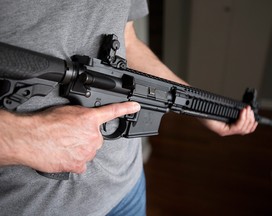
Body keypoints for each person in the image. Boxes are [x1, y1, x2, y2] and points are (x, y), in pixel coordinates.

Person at [0, 1, 258, 215]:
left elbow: (128, 40)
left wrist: (205, 110)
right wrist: (26, 138)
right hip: (31, 205)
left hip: (126, 189)